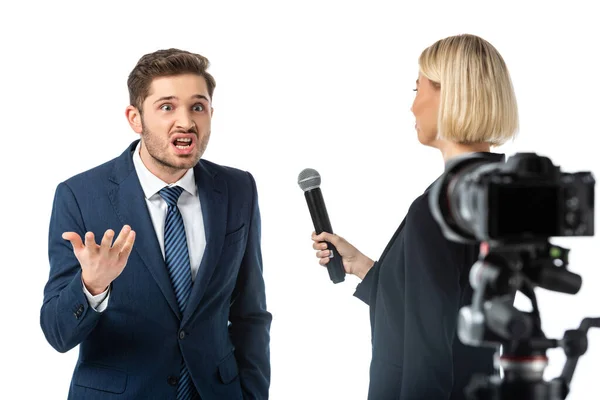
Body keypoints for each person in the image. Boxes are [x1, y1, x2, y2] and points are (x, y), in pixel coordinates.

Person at [41, 48, 272, 400]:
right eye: (167, 107)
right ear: (136, 118)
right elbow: (57, 333)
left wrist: (252, 394)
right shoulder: (80, 195)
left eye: (198, 106)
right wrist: (92, 285)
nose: (186, 121)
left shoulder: (239, 189)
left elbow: (250, 313)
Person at [311, 34, 519, 399]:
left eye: (417, 89)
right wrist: (364, 267)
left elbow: (428, 356)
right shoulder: (499, 195)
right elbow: (448, 308)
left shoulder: (438, 210)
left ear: (448, 95)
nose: (413, 107)